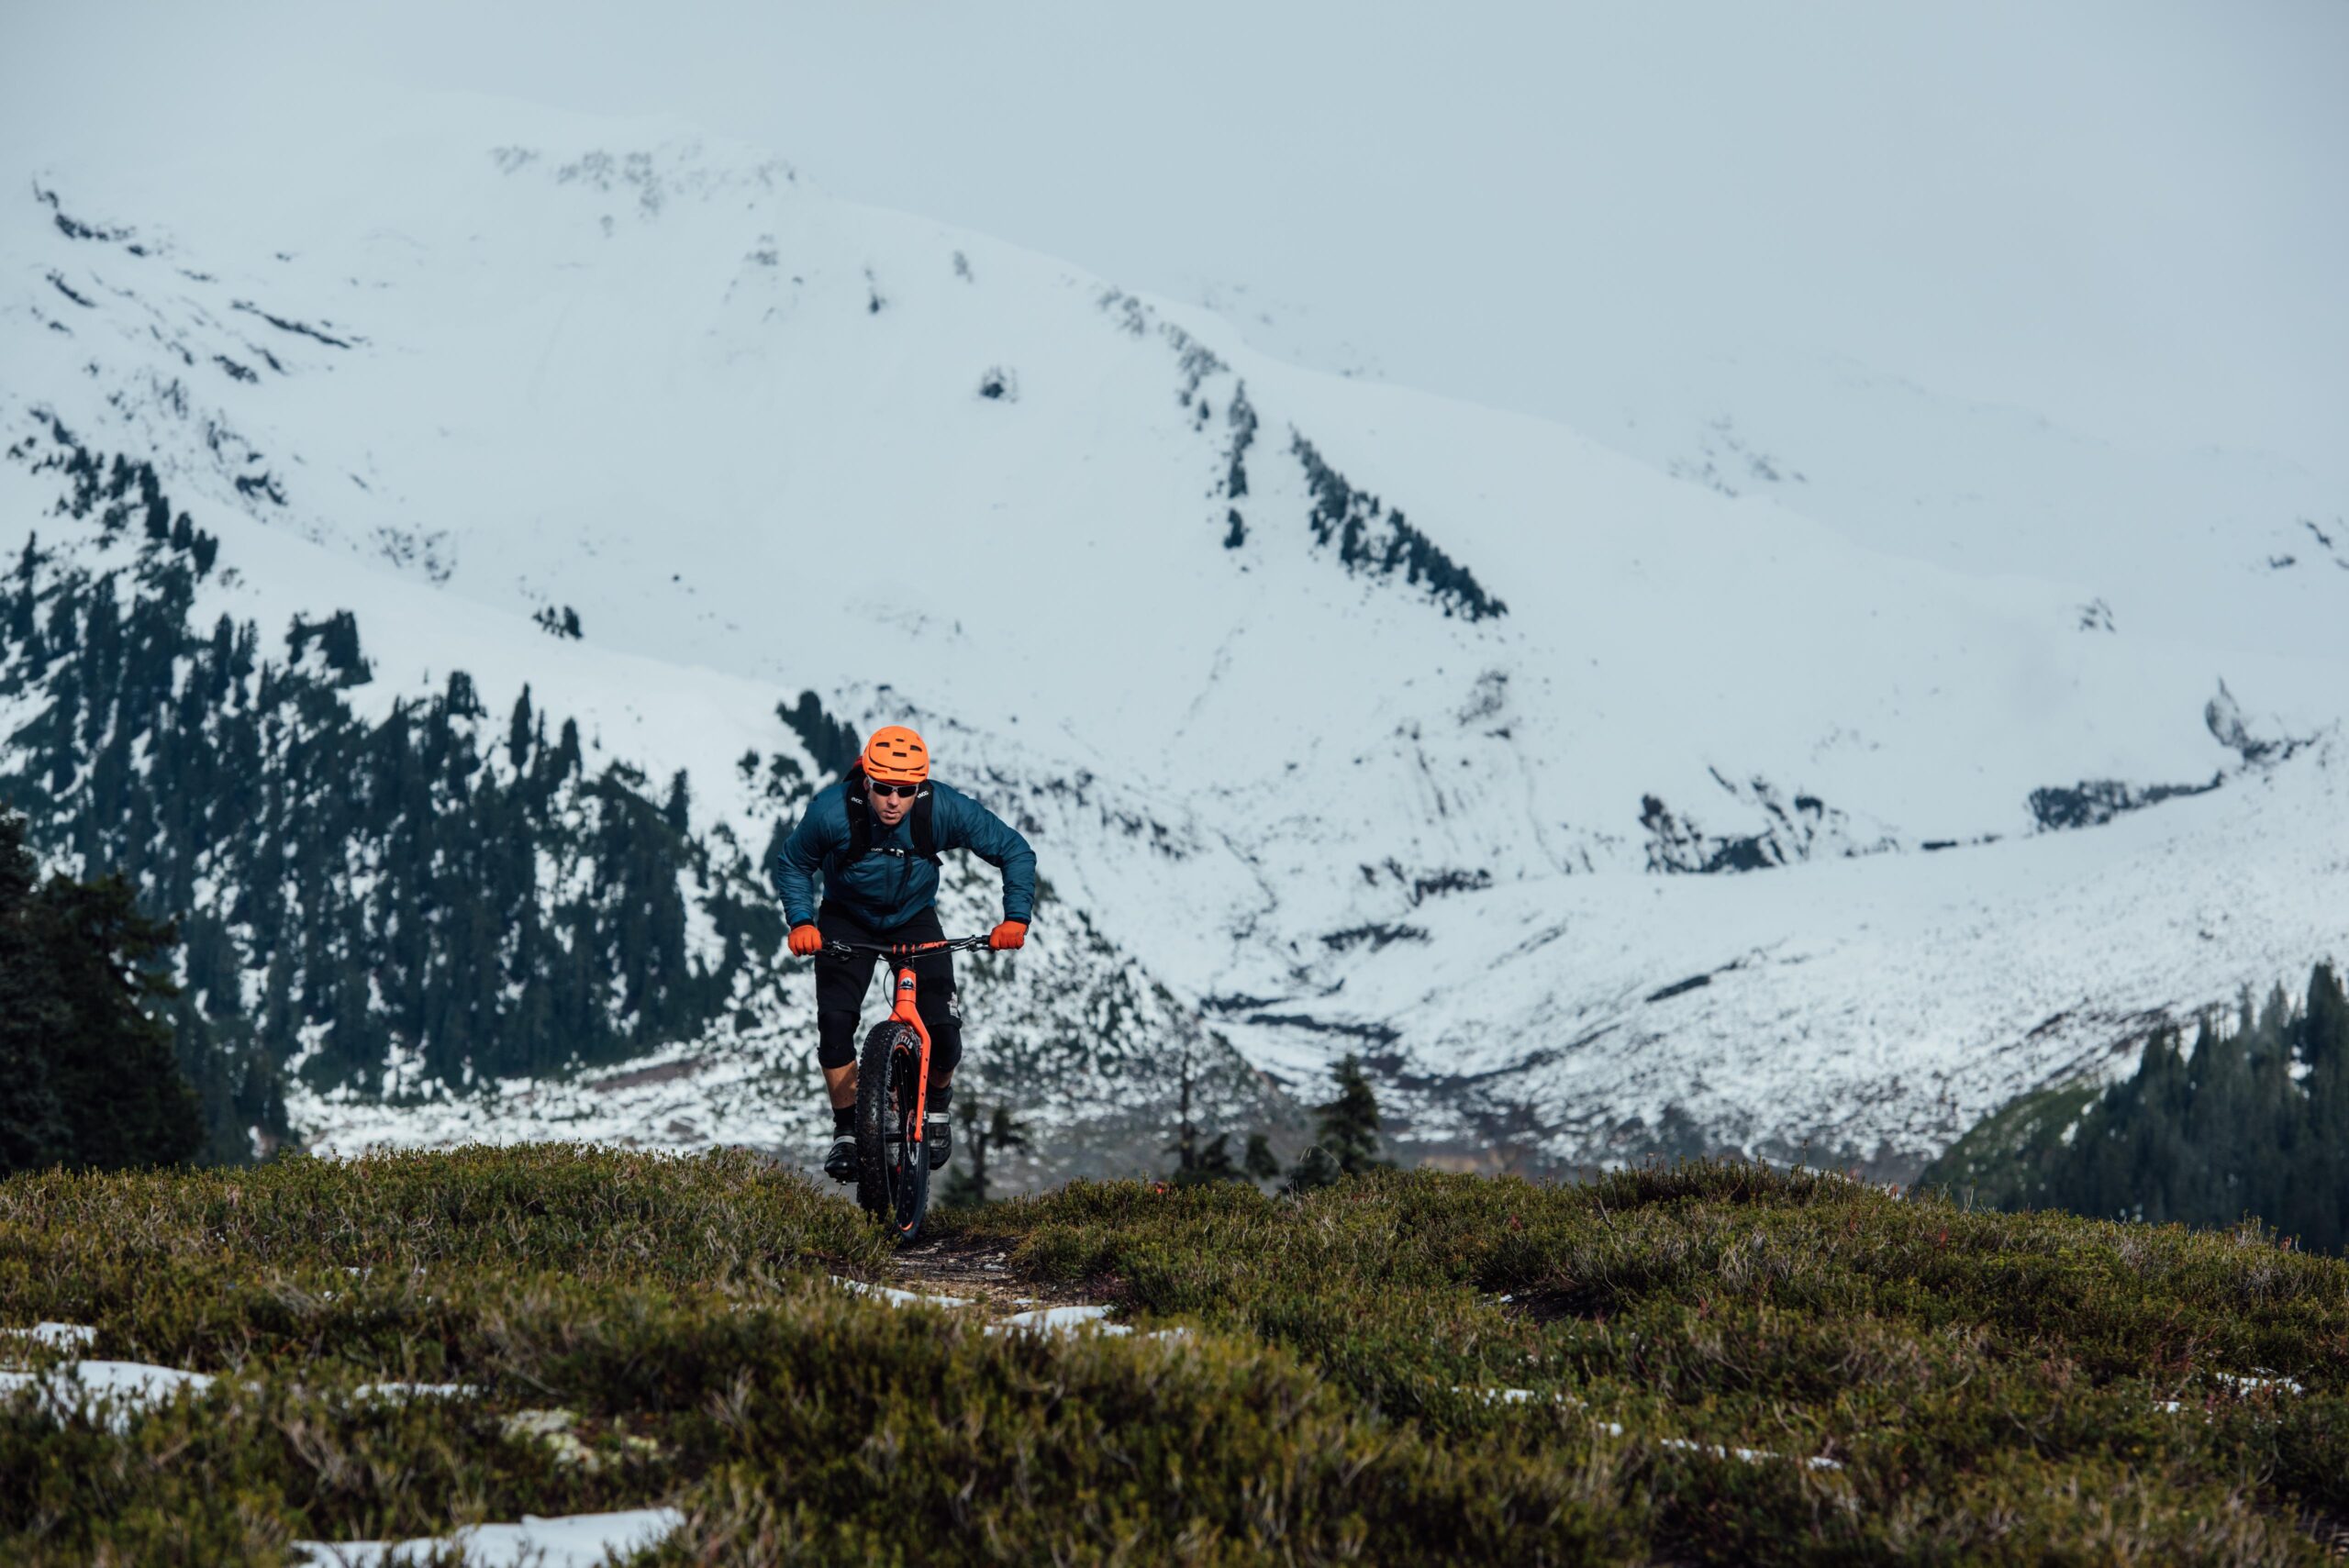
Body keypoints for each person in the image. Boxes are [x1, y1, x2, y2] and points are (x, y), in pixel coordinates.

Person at [773, 724, 1035, 1181]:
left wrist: (1015, 918)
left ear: (921, 787)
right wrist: (802, 921)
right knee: (835, 1025)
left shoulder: (942, 809)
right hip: (846, 918)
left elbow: (1014, 850)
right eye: (884, 788)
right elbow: (795, 863)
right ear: (867, 781)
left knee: (945, 1037)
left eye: (906, 790)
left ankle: (935, 1107)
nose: (894, 800)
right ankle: (848, 1132)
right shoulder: (831, 812)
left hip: (914, 919)